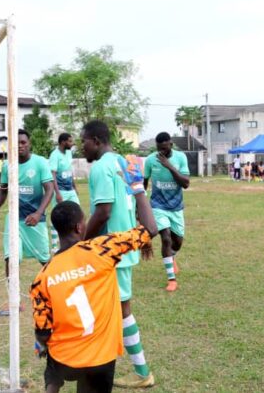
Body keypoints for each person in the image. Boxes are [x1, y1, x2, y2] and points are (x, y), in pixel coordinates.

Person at [30, 165, 158, 393]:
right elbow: (149, 229)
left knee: (52, 363)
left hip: (65, 360)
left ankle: (52, 384)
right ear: (80, 227)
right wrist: (138, 188)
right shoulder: (103, 249)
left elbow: (43, 331)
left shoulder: (43, 276)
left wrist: (41, 344)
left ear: (57, 231)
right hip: (100, 358)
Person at [80, 120, 155, 388]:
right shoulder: (123, 163)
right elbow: (133, 201)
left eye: (84, 141)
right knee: (115, 309)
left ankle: (139, 372)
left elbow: (104, 212)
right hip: (124, 246)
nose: (82, 147)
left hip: (110, 251)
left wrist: (81, 246)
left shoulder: (101, 167)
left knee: (112, 311)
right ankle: (137, 370)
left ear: (96, 141)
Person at [0, 129, 55, 316]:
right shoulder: (6, 166)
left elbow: (49, 189)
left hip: (35, 221)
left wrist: (38, 212)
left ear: (29, 144)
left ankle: (56, 295)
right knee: (10, 259)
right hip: (14, 221)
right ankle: (13, 302)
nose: (20, 146)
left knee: (45, 260)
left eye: (23, 142)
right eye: (16, 143)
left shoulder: (40, 163)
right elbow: (3, 190)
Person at [143, 132, 190, 292]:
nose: (162, 152)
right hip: (158, 205)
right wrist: (140, 205)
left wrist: (168, 165)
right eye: (159, 149)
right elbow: (144, 181)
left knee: (178, 242)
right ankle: (172, 279)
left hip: (176, 206)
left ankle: (171, 257)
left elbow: (186, 184)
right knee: (166, 238)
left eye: (165, 148)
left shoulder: (180, 158)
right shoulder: (150, 160)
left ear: (171, 144)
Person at [49, 133, 80, 253]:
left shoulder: (68, 153)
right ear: (63, 142)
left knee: (78, 212)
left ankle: (76, 241)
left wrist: (74, 186)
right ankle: (54, 245)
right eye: (70, 141)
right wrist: (57, 193)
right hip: (60, 191)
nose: (72, 144)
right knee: (57, 215)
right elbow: (53, 175)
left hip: (70, 190)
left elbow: (69, 170)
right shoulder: (54, 155)